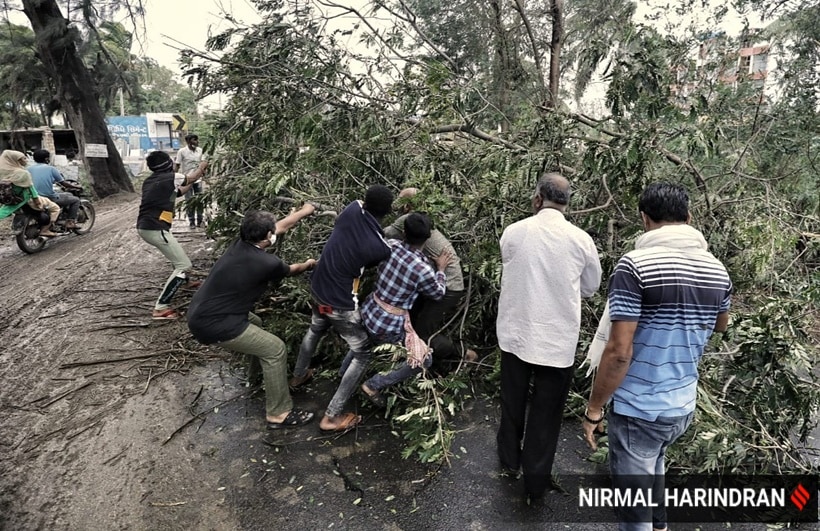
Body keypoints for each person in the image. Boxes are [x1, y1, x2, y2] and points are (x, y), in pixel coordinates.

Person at [582, 182, 732, 531]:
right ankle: (661, 524)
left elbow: (619, 352)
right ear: (689, 217)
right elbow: (722, 325)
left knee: (633, 512)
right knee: (656, 463)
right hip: (681, 403)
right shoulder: (716, 269)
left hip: (640, 406)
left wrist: (594, 409)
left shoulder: (635, 265)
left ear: (644, 219)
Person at [496, 172, 602, 502]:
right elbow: (590, 287)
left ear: (538, 198)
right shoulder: (581, 240)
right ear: (566, 202)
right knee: (547, 412)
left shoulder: (514, 232)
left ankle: (509, 461)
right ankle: (535, 484)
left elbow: (509, 264)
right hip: (558, 340)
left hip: (515, 334)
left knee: (512, 401)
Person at [187, 210, 318, 429]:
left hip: (203, 311)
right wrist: (310, 263)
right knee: (275, 349)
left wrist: (304, 211)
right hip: (215, 323)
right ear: (268, 236)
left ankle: (256, 378)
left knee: (256, 323)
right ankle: (279, 413)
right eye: (272, 232)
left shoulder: (239, 244)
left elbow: (282, 225)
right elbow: (293, 269)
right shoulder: (268, 263)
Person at [290, 184, 394, 432]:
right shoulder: (381, 248)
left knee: (315, 329)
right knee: (362, 353)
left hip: (319, 295)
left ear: (365, 200)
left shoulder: (351, 209)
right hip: (340, 306)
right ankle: (332, 416)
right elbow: (372, 261)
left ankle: (298, 375)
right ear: (388, 211)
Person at [358, 213, 452, 406]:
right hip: (389, 325)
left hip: (369, 310)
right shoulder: (423, 269)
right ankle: (373, 384)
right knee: (424, 360)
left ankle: (345, 373)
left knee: (363, 345)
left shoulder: (390, 245)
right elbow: (438, 293)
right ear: (428, 238)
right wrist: (441, 270)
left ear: (404, 232)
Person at [385, 188, 477, 374]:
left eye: (400, 201)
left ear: (409, 205)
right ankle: (420, 357)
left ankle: (462, 354)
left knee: (422, 331)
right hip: (438, 280)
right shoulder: (424, 220)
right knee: (411, 318)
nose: (397, 205)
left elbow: (382, 234)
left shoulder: (408, 220)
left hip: (447, 286)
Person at [136, 150, 201, 320]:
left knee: (177, 259)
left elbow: (178, 192)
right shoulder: (171, 177)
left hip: (148, 226)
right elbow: (191, 178)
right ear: (168, 164)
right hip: (155, 228)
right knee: (184, 265)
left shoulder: (152, 181)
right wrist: (203, 166)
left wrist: (194, 180)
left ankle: (186, 283)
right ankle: (161, 307)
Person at [0, 149, 61, 237]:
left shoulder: (2, 173)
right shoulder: (22, 173)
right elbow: (32, 190)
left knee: (2, 212)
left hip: (9, 199)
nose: (26, 160)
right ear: (16, 160)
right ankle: (45, 230)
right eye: (23, 159)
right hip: (26, 199)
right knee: (55, 208)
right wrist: (38, 203)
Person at [29, 149, 82, 230]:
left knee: (68, 195)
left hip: (33, 197)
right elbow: (63, 183)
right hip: (48, 198)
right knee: (75, 200)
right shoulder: (51, 169)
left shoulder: (28, 169)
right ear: (47, 159)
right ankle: (70, 222)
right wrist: (77, 187)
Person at [174, 134, 207, 228]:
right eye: (194, 140)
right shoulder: (182, 152)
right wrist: (173, 177)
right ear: (188, 142)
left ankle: (200, 220)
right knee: (189, 200)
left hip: (198, 180)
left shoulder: (200, 150)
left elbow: (203, 163)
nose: (196, 142)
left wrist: (204, 173)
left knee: (199, 200)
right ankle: (191, 221)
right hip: (186, 180)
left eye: (197, 140)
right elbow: (177, 165)